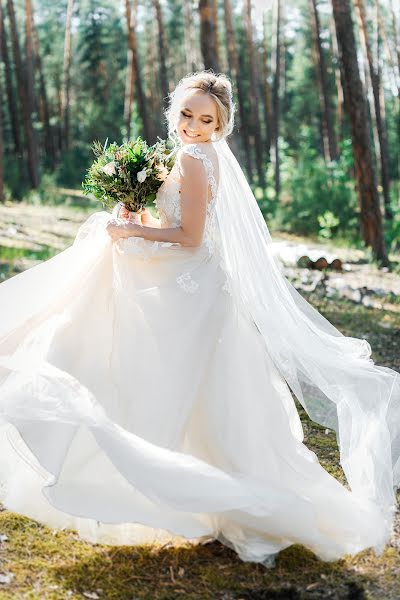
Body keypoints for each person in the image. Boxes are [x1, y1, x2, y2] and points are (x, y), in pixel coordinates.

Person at [0, 71, 399, 568]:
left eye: (205, 120)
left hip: (186, 286)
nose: (192, 126)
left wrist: (127, 229)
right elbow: (176, 225)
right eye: (186, 114)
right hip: (193, 281)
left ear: (220, 125)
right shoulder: (193, 157)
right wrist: (137, 218)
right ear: (174, 109)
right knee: (196, 393)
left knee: (165, 382)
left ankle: (174, 487)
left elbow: (188, 238)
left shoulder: (193, 158)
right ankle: (201, 492)